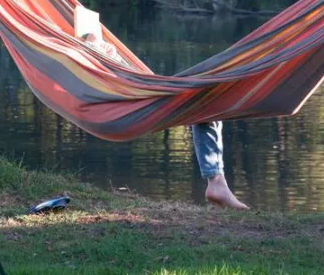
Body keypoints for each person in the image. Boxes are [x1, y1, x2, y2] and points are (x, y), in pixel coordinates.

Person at [80, 32, 249, 210]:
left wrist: (107, 52)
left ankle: (216, 181)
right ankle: (216, 181)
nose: (109, 47)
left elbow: (130, 76)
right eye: (102, 45)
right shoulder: (97, 65)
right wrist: (97, 47)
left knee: (208, 104)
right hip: (139, 102)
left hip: (145, 94)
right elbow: (95, 55)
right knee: (206, 103)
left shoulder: (112, 67)